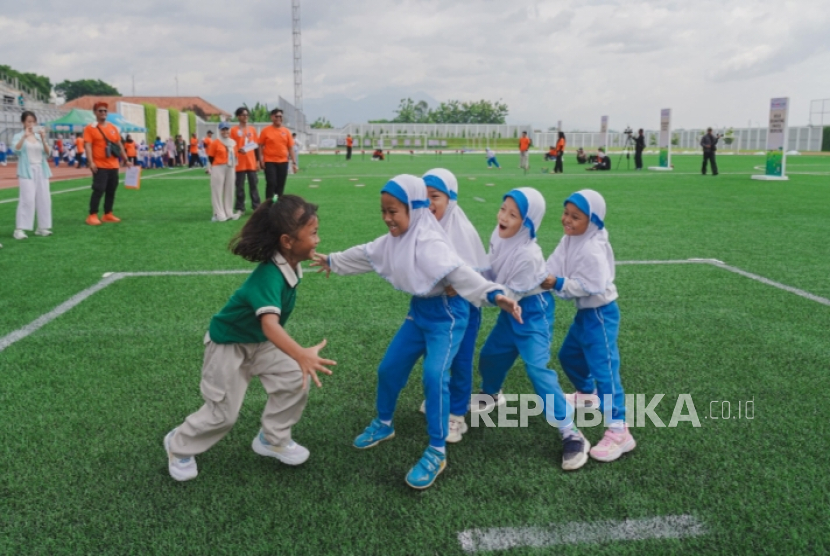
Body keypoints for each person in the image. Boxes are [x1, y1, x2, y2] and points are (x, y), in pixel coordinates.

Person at [311, 175, 522, 490]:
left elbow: (460, 273)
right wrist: (333, 260)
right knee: (389, 368)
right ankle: (383, 423)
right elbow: (367, 253)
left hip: (448, 318)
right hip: (420, 313)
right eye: (383, 210)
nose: (387, 218)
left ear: (413, 208)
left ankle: (437, 450)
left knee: (435, 376)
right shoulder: (396, 239)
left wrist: (494, 295)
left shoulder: (429, 242)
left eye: (393, 211)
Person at [164, 195, 335, 482]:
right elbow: (270, 325)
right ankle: (179, 446)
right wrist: (301, 353)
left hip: (259, 343)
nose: (317, 240)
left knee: (295, 378)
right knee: (222, 414)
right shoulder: (269, 275)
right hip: (228, 345)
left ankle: (272, 439)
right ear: (287, 241)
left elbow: (267, 329)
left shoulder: (291, 263)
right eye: (313, 233)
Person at [472, 187, 590, 471]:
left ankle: (571, 432)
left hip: (532, 312)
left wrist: (471, 290)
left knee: (537, 369)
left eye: (513, 214)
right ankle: (491, 394)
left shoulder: (529, 255)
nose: (503, 216)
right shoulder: (498, 235)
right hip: (510, 310)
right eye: (503, 209)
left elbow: (506, 296)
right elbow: (490, 271)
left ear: (527, 223)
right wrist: (470, 276)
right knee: (491, 356)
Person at [544, 189, 635, 463]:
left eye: (575, 217)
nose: (566, 220)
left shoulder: (593, 247)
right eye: (566, 213)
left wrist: (557, 283)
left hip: (601, 315)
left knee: (605, 370)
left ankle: (620, 431)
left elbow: (590, 286)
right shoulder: (570, 239)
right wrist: (536, 275)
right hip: (586, 315)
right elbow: (553, 265)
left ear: (592, 221)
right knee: (568, 356)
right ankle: (587, 394)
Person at [417, 169, 491, 442]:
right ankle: (438, 400)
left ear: (451, 199)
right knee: (436, 356)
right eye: (423, 197)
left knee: (460, 359)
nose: (428, 203)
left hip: (464, 309)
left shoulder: (462, 230)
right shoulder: (424, 227)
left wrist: (455, 282)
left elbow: (472, 272)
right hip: (436, 310)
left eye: (435, 196)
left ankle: (457, 415)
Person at [83, 101, 132, 226]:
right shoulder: (90, 128)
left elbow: (119, 144)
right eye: (100, 110)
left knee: (111, 190)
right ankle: (92, 215)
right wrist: (91, 162)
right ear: (95, 113)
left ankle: (108, 213)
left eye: (105, 111)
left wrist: (126, 159)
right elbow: (88, 146)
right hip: (99, 165)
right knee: (98, 189)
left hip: (113, 165)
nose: (103, 113)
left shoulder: (112, 128)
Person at [12, 110, 53, 240]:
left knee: (44, 198)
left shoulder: (38, 136)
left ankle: (42, 227)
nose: (31, 123)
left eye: (33, 121)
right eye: (28, 121)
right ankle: (19, 229)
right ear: (23, 122)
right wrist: (25, 136)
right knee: (27, 199)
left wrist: (43, 138)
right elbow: (16, 150)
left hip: (41, 169)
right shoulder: (19, 136)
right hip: (27, 170)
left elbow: (48, 153)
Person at [258, 108, 297, 200]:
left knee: (280, 185)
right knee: (271, 183)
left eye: (280, 116)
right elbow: (260, 146)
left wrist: (294, 163)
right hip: (269, 161)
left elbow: (290, 147)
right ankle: (268, 204)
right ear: (272, 117)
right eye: (276, 116)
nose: (279, 118)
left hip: (283, 161)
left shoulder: (286, 131)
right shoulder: (266, 130)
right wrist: (261, 159)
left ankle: (276, 204)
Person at [207, 122, 240, 222]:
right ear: (220, 131)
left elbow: (235, 156)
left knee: (230, 189)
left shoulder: (233, 143)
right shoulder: (216, 142)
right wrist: (213, 167)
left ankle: (228, 212)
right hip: (218, 166)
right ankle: (218, 213)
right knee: (217, 190)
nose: (225, 131)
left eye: (226, 129)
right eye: (223, 129)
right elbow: (211, 157)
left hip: (230, 167)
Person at [231, 107, 261, 213]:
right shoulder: (234, 130)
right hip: (239, 163)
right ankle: (240, 207)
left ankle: (256, 206)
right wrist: (238, 150)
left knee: (254, 185)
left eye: (247, 115)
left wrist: (257, 161)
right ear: (238, 116)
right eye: (243, 115)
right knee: (239, 186)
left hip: (251, 162)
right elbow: (231, 145)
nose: (246, 117)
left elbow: (256, 146)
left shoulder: (252, 129)